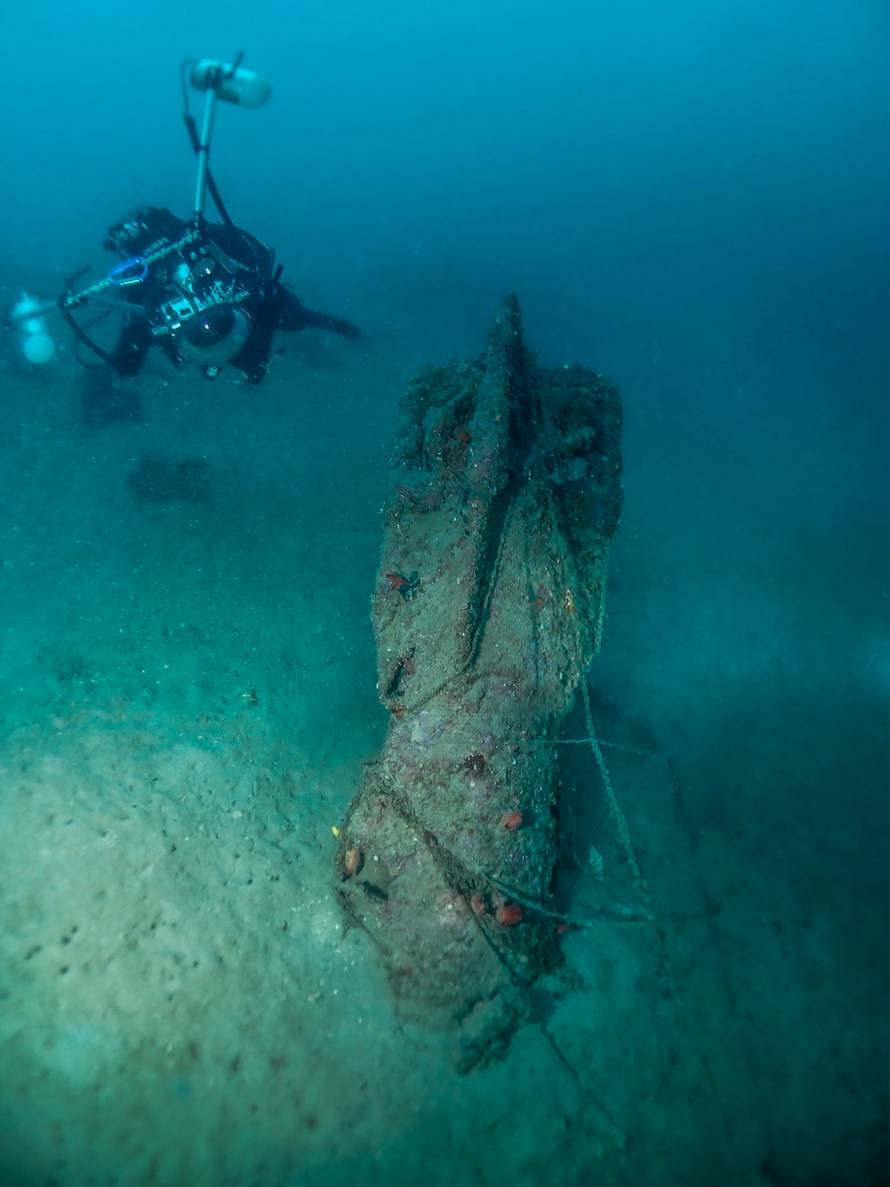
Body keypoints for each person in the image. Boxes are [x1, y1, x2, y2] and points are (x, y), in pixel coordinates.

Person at [99, 205, 360, 386]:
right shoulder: (140, 287)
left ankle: (351, 338)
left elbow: (255, 255)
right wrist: (138, 338)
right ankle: (347, 338)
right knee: (267, 339)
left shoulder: (207, 243)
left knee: (290, 318)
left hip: (246, 309)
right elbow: (126, 362)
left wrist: (256, 286)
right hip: (211, 335)